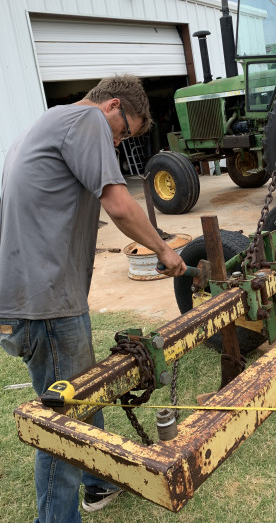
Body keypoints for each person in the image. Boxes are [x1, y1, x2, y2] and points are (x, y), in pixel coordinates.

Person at [0, 74, 187, 522]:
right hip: (46, 302)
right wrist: (164, 250)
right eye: (125, 132)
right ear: (112, 106)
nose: (119, 144)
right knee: (65, 425)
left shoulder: (50, 122)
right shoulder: (87, 122)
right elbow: (120, 205)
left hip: (26, 298)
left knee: (79, 386)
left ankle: (99, 483)